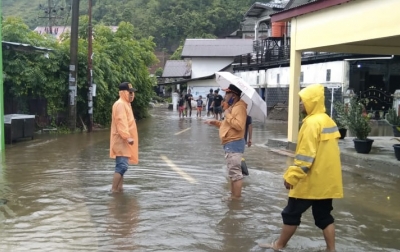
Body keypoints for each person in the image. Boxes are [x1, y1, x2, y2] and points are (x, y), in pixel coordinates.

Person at [259, 84, 343, 252]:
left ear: (311, 102)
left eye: (303, 101)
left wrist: (292, 177)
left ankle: (278, 245)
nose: (301, 104)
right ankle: (331, 250)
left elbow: (306, 157)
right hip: (326, 182)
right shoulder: (327, 120)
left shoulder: (311, 123)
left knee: (290, 213)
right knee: (324, 217)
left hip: (310, 181)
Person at [205, 84, 247, 200]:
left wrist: (227, 114)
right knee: (232, 173)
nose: (225, 95)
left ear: (233, 95)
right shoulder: (232, 107)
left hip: (234, 143)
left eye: (227, 93)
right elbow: (228, 125)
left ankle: (236, 199)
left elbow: (239, 125)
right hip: (230, 143)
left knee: (235, 174)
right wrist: (216, 123)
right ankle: (232, 195)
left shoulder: (239, 108)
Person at [109, 82, 139, 193]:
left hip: (124, 140)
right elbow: (121, 122)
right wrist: (127, 137)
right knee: (122, 166)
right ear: (123, 93)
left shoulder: (126, 104)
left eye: (132, 93)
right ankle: (113, 190)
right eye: (129, 93)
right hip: (121, 140)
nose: (132, 95)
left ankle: (119, 190)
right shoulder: (120, 104)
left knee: (122, 166)